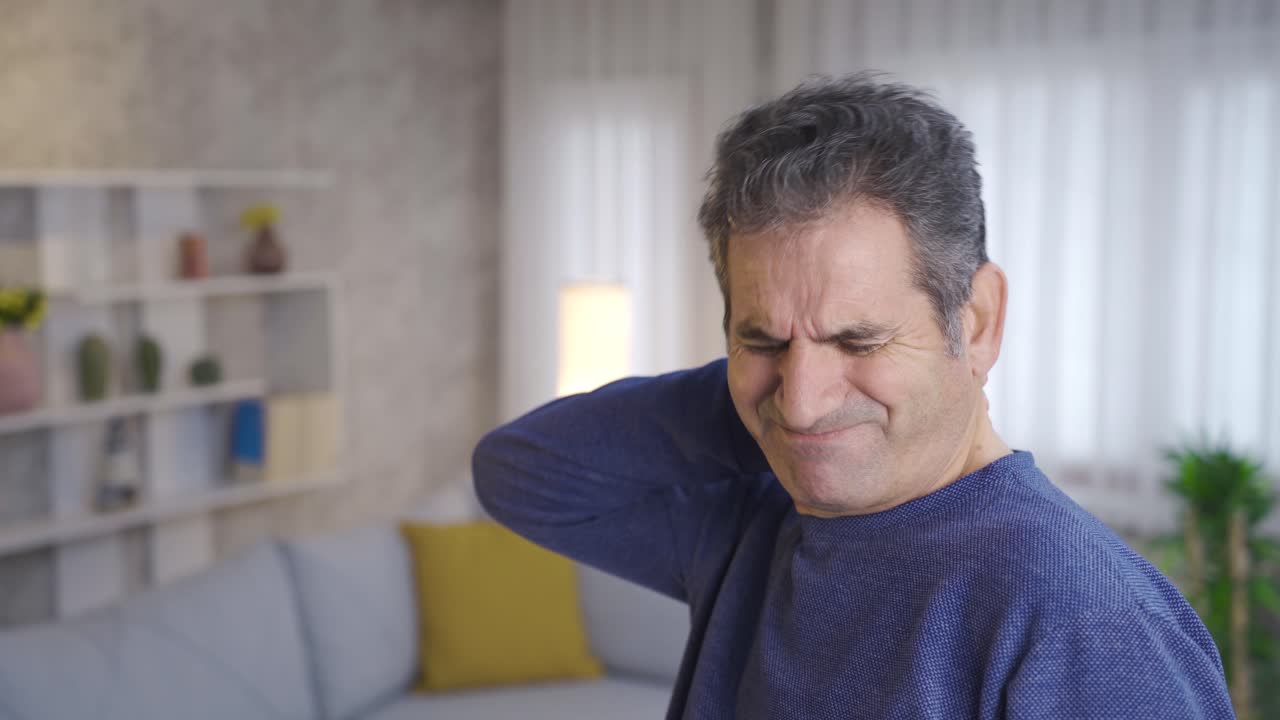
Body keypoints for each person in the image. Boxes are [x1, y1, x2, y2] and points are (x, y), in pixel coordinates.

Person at [473, 73, 1234, 719]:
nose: (803, 401)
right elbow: (520, 474)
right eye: (764, 339)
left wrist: (787, 397)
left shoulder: (1085, 619)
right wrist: (760, 405)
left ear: (975, 324)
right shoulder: (752, 516)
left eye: (858, 342)